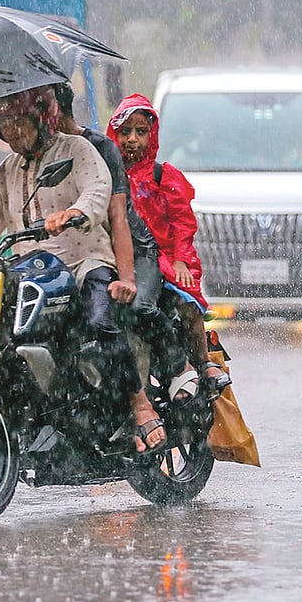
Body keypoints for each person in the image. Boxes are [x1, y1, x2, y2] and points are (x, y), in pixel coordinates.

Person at [0, 85, 167, 452]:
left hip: (82, 261)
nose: (11, 138)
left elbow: (97, 191)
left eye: (18, 127)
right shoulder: (12, 168)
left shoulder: (78, 151)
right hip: (31, 270)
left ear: (42, 118)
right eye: (5, 130)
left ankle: (139, 404)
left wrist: (75, 213)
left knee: (100, 321)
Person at [108, 93, 229, 392]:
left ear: (152, 135)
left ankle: (201, 362)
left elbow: (182, 224)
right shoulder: (109, 176)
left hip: (164, 254)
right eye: (125, 133)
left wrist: (179, 260)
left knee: (185, 300)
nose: (132, 140)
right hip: (121, 254)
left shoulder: (163, 175)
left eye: (141, 132)